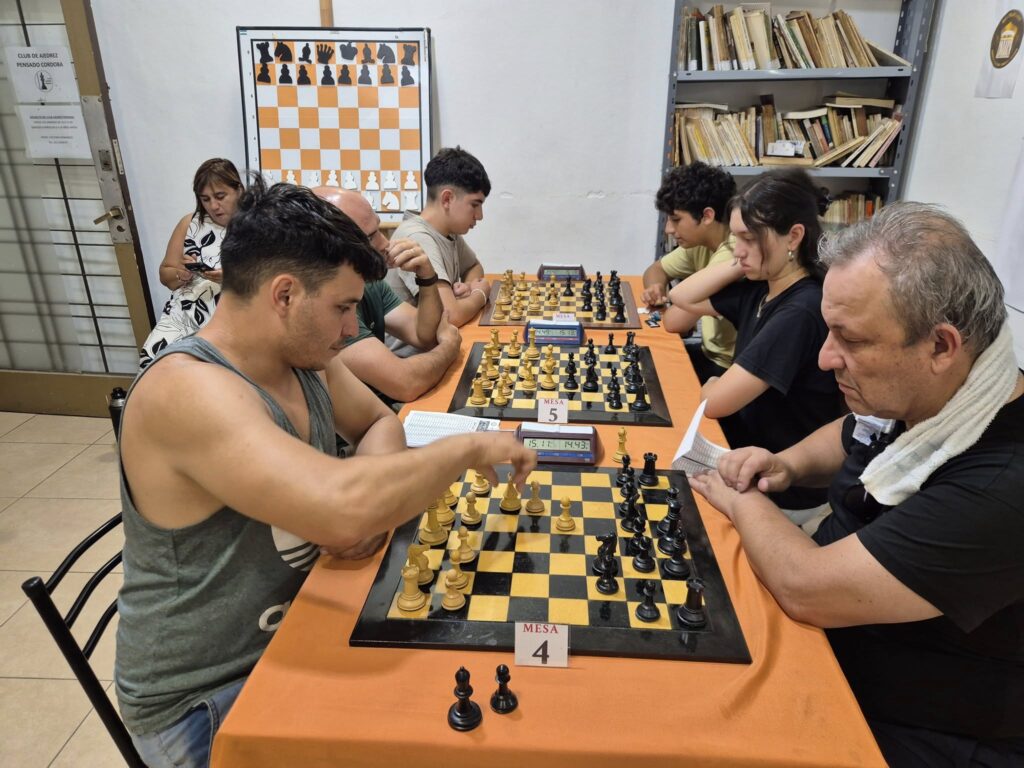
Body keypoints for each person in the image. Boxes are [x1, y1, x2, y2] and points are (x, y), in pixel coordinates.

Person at [115, 178, 536, 767]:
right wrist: (463, 451)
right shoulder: (186, 390)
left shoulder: (300, 357)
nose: (349, 328)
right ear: (284, 294)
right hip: (210, 696)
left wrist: (358, 508)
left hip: (307, 616)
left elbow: (377, 424)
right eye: (342, 307)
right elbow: (342, 512)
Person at [691, 202, 1024, 768]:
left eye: (851, 340)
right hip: (834, 646)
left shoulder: (1001, 486)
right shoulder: (932, 393)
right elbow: (853, 431)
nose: (826, 359)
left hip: (917, 728)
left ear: (941, 346)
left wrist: (739, 499)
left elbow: (806, 587)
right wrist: (788, 463)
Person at [668, 169, 843, 514]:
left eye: (749, 239)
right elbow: (681, 298)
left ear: (794, 237)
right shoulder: (761, 287)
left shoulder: (800, 310)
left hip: (780, 491)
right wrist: (738, 264)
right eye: (735, 239)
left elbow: (714, 402)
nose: (739, 251)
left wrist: (714, 383)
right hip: (743, 457)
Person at [312, 187, 461, 405]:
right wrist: (448, 347)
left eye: (379, 230)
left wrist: (427, 276)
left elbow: (424, 334)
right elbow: (405, 383)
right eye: (372, 236)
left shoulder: (370, 284)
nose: (385, 243)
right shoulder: (327, 307)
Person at [385, 146, 491, 356]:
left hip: (439, 349)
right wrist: (480, 294)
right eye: (475, 204)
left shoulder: (447, 232)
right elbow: (451, 315)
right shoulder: (417, 237)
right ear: (447, 199)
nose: (479, 216)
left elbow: (474, 266)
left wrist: (468, 286)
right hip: (413, 359)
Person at [139, 158, 243, 369]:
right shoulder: (190, 223)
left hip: (233, 316)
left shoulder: (259, 225)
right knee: (153, 362)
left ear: (238, 190)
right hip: (184, 312)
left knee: (218, 375)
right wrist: (181, 273)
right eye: (205, 199)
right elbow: (165, 275)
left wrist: (232, 278)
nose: (213, 206)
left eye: (220, 196)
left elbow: (273, 279)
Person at [644, 162, 738, 385]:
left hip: (729, 369)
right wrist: (656, 287)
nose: (668, 229)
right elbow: (655, 270)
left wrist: (668, 302)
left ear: (707, 216)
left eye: (676, 220)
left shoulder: (734, 252)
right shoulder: (699, 242)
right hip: (708, 353)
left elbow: (677, 323)